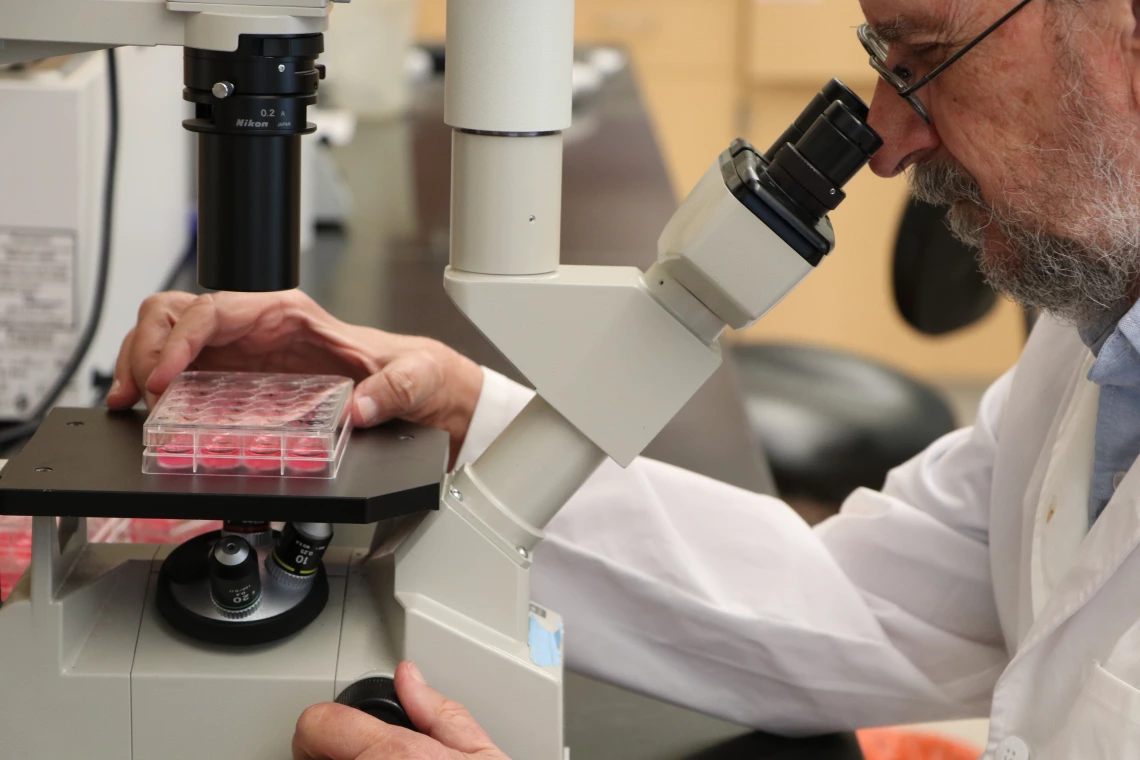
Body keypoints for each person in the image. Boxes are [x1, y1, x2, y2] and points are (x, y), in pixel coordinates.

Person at [109, 0, 1140, 755]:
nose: (889, 135)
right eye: (884, 54)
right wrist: (468, 417)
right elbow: (857, 602)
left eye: (925, 53)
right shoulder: (1096, 335)